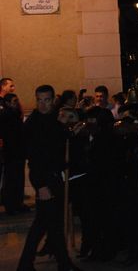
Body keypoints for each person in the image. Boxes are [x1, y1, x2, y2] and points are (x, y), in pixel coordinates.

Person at [17, 84, 83, 271]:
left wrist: (70, 134)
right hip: (44, 180)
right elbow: (34, 158)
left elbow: (57, 147)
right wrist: (41, 185)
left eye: (46, 100)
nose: (43, 104)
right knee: (43, 223)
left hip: (55, 177)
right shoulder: (33, 124)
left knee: (51, 223)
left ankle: (62, 263)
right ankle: (27, 264)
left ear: (53, 100)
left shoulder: (53, 120)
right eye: (39, 100)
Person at [1, 93, 29, 215]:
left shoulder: (13, 115)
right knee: (12, 179)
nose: (16, 104)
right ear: (7, 103)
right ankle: (13, 205)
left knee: (17, 179)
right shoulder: (8, 116)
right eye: (14, 101)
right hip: (12, 152)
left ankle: (16, 204)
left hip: (16, 152)